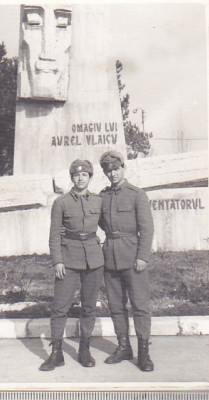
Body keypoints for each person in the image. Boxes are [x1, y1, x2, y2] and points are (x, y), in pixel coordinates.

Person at [39, 159, 104, 371]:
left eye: (85, 175)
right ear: (72, 178)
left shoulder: (98, 201)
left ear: (90, 177)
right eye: (76, 175)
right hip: (68, 259)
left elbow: (110, 224)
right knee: (60, 307)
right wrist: (57, 260)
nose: (80, 178)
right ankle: (56, 353)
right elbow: (54, 235)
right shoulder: (62, 203)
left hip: (94, 259)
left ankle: (84, 349)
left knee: (89, 307)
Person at [99, 150, 154, 371]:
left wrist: (142, 257)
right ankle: (124, 347)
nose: (112, 174)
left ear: (124, 168)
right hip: (110, 257)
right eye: (108, 171)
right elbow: (102, 224)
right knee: (116, 306)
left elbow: (147, 229)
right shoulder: (102, 196)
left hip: (133, 258)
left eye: (116, 169)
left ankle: (143, 352)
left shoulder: (137, 194)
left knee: (140, 306)